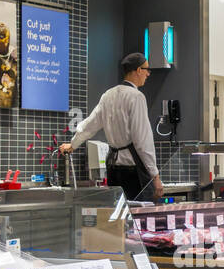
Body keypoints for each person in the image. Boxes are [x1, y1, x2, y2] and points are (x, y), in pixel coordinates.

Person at [59, 52, 163, 201]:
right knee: (138, 218)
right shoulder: (136, 97)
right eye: (147, 69)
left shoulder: (108, 95)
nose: (148, 74)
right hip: (133, 171)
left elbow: (89, 125)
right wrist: (155, 176)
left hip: (113, 169)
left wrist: (73, 144)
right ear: (138, 70)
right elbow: (142, 141)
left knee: (118, 220)